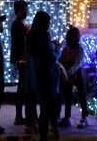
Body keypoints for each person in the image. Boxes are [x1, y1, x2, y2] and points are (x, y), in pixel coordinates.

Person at [25, 11, 60, 141]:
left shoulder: (30, 35)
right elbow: (51, 58)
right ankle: (46, 134)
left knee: (44, 107)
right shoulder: (43, 37)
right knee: (48, 108)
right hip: (47, 77)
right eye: (48, 23)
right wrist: (57, 49)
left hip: (36, 76)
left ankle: (44, 134)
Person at [58, 26, 89, 128]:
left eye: (76, 36)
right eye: (72, 36)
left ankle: (84, 117)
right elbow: (61, 60)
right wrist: (64, 71)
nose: (74, 38)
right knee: (67, 95)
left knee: (81, 94)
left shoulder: (80, 48)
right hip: (67, 72)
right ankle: (67, 117)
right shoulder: (66, 48)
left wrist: (71, 71)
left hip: (77, 72)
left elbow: (78, 62)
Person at [10, 0, 32, 127]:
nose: (26, 12)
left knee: (23, 86)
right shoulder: (17, 24)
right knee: (22, 87)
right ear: (18, 11)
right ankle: (18, 115)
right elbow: (19, 43)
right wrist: (20, 58)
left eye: (27, 9)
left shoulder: (21, 23)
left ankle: (20, 115)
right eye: (24, 9)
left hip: (23, 58)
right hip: (21, 59)